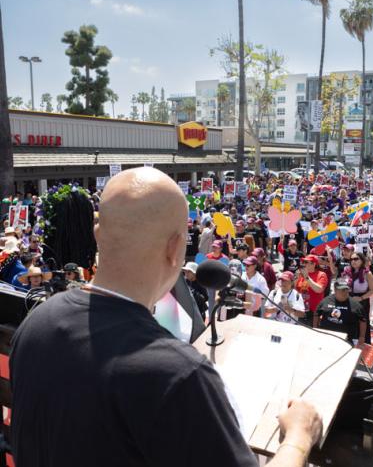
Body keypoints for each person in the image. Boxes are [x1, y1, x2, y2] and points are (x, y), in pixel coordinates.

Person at [10, 167, 321, 467]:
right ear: (175, 248)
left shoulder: (36, 323)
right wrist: (298, 435)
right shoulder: (178, 374)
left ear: (97, 235)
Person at [315, 278, 367, 346]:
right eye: (342, 290)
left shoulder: (356, 305)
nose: (345, 292)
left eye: (346, 289)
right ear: (335, 290)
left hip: (346, 340)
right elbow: (316, 314)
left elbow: (363, 320)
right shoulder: (325, 301)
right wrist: (315, 329)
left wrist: (362, 337)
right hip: (327, 337)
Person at [343, 252, 373, 344]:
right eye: (351, 259)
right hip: (348, 301)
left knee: (362, 325)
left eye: (356, 259)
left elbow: (372, 290)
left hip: (362, 302)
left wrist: (361, 298)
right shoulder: (347, 272)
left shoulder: (367, 273)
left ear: (362, 260)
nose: (353, 261)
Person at [294, 255, 328, 327]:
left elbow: (319, 290)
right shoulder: (301, 275)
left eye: (306, 262)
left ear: (314, 264)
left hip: (314, 312)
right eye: (303, 262)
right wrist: (296, 278)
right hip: (301, 310)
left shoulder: (321, 275)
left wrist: (307, 277)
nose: (303, 264)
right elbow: (294, 290)